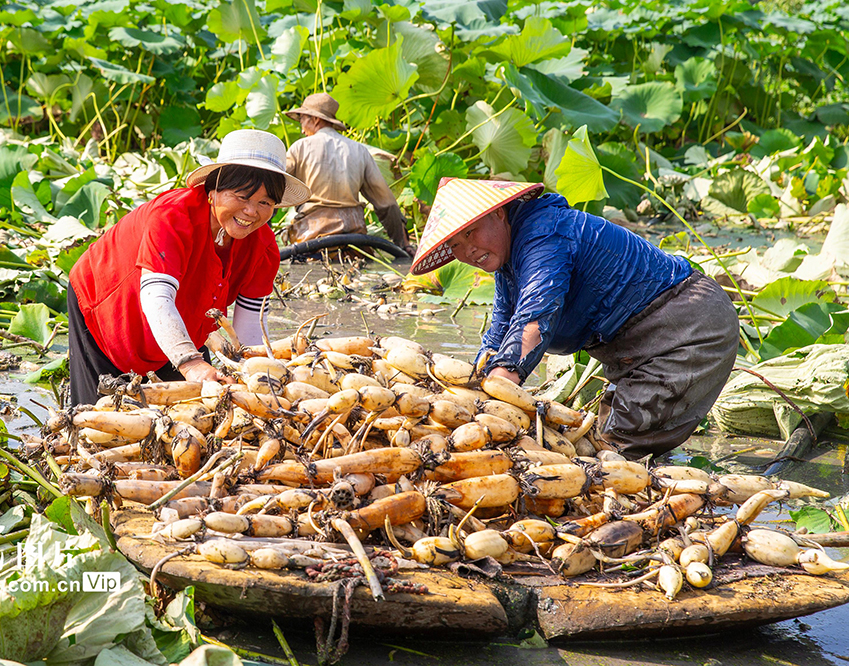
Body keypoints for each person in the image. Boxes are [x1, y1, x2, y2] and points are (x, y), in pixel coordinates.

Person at [410, 178, 740, 459]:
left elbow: (534, 322)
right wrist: (462, 392)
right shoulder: (510, 261)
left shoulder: (544, 234)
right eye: (455, 244)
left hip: (687, 326)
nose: (467, 250)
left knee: (614, 448)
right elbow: (499, 334)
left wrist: (490, 404)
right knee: (605, 442)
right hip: (633, 343)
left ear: (497, 213)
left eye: (471, 233)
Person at [67, 129, 310, 406]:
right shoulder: (172, 217)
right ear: (214, 190)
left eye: (264, 203)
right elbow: (157, 298)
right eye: (242, 197)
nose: (252, 212)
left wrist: (251, 376)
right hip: (107, 301)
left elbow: (250, 326)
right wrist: (190, 362)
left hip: (184, 315)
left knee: (198, 403)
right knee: (103, 414)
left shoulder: (263, 248)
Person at [283, 93, 414, 253]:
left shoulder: (299, 147)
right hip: (355, 241)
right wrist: (403, 245)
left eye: (302, 119)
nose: (302, 129)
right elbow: (387, 203)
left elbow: (273, 185)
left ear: (315, 119)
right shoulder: (360, 150)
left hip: (311, 241)